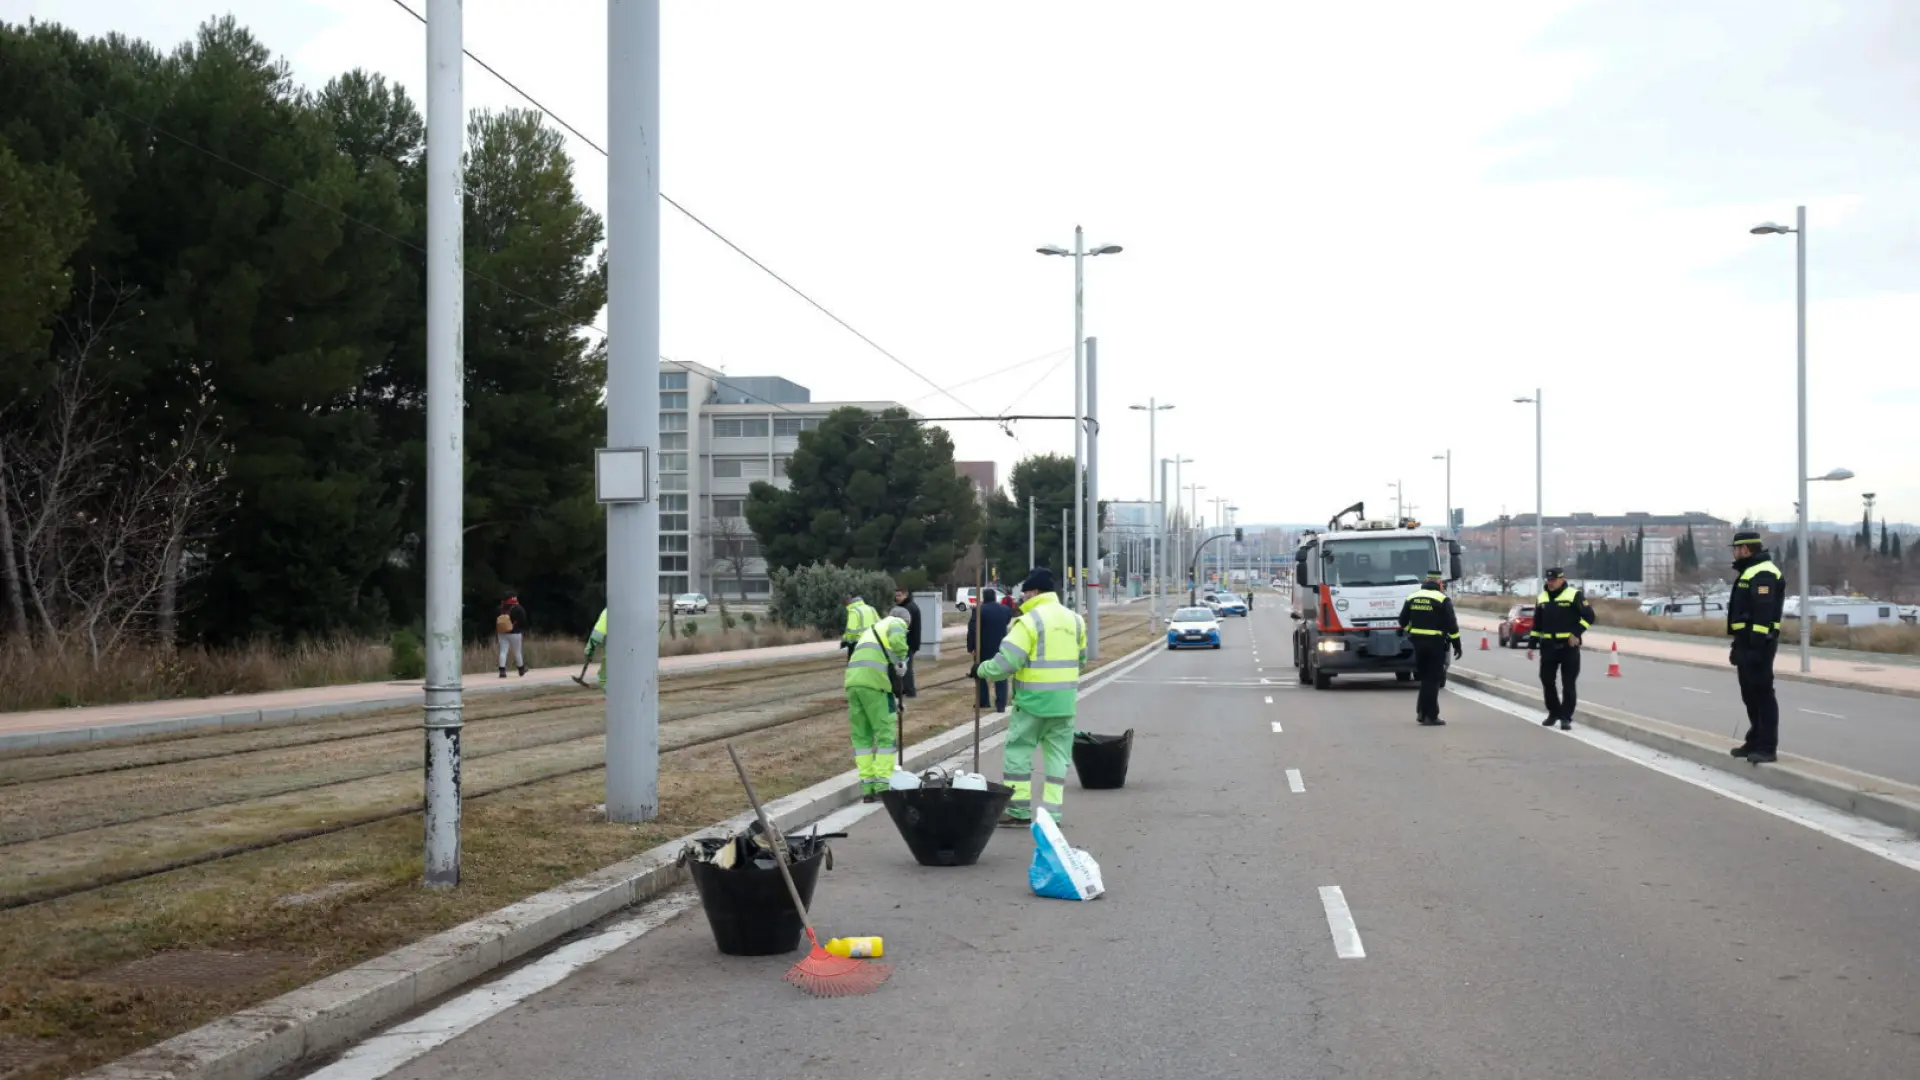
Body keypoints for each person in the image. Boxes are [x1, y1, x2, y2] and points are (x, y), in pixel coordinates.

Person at [974, 568, 1086, 827]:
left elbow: (1007, 662)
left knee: (1018, 753)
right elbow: (1081, 660)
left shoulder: (1028, 622)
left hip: (1032, 704)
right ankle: (1052, 814)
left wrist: (981, 670)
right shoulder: (1076, 620)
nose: (1022, 597)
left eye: (1024, 592)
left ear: (1034, 592)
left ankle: (1018, 810)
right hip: (1064, 703)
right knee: (1058, 758)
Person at [1726, 530, 1785, 764]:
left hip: (1759, 644)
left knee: (1762, 694)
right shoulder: (1749, 571)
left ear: (1746, 549)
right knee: (1749, 694)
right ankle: (1754, 740)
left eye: (1736, 549)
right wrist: (1739, 644)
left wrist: (1756, 647)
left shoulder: (1763, 573)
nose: (1735, 553)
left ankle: (1767, 747)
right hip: (1746, 643)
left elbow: (1763, 614)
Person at [844, 606, 910, 802]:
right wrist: (902, 660)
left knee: (861, 738)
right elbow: (899, 643)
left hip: (853, 683)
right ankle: (882, 785)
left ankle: (867, 788)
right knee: (885, 736)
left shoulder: (873, 629)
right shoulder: (896, 622)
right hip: (873, 684)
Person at [1529, 567, 1596, 730]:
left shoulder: (1574, 595)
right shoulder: (1542, 598)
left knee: (1568, 683)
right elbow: (1537, 624)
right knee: (1546, 680)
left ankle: (1566, 716)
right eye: (1548, 580)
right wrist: (1532, 645)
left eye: (1553, 580)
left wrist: (1576, 633)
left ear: (1562, 579)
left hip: (1568, 647)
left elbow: (1589, 616)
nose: (1550, 583)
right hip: (1548, 647)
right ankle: (1554, 712)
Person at [1397, 571, 1462, 725]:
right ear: (1439, 584)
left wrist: (1412, 631)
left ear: (1425, 581)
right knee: (1433, 681)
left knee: (1425, 679)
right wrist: (1457, 644)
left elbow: (1402, 620)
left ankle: (1421, 712)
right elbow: (1452, 625)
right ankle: (1431, 716)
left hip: (1417, 644)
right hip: (1435, 644)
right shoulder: (1442, 599)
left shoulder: (1412, 597)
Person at [966, 586, 1013, 712]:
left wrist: (971, 647)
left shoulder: (979, 610)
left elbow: (972, 629)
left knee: (980, 672)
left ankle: (984, 701)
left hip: (983, 646)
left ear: (983, 597)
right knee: (1001, 674)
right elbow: (1007, 621)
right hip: (1001, 645)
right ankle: (1001, 704)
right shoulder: (1005, 610)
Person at [891, 587, 923, 697]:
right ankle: (904, 689)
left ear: (906, 595)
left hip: (908, 642)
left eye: (899, 595)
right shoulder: (909, 606)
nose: (897, 597)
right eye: (896, 595)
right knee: (905, 666)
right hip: (910, 641)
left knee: (906, 667)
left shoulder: (908, 609)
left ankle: (909, 690)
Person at [495, 594, 528, 678]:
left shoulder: (500, 609)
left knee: (503, 651)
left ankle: (502, 670)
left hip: (502, 633)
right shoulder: (519, 608)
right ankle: (521, 669)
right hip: (515, 633)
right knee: (517, 652)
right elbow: (523, 620)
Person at [584, 607, 609, 689]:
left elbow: (597, 635)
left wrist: (589, 650)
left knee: (604, 679)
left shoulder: (608, 611)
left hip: (615, 651)